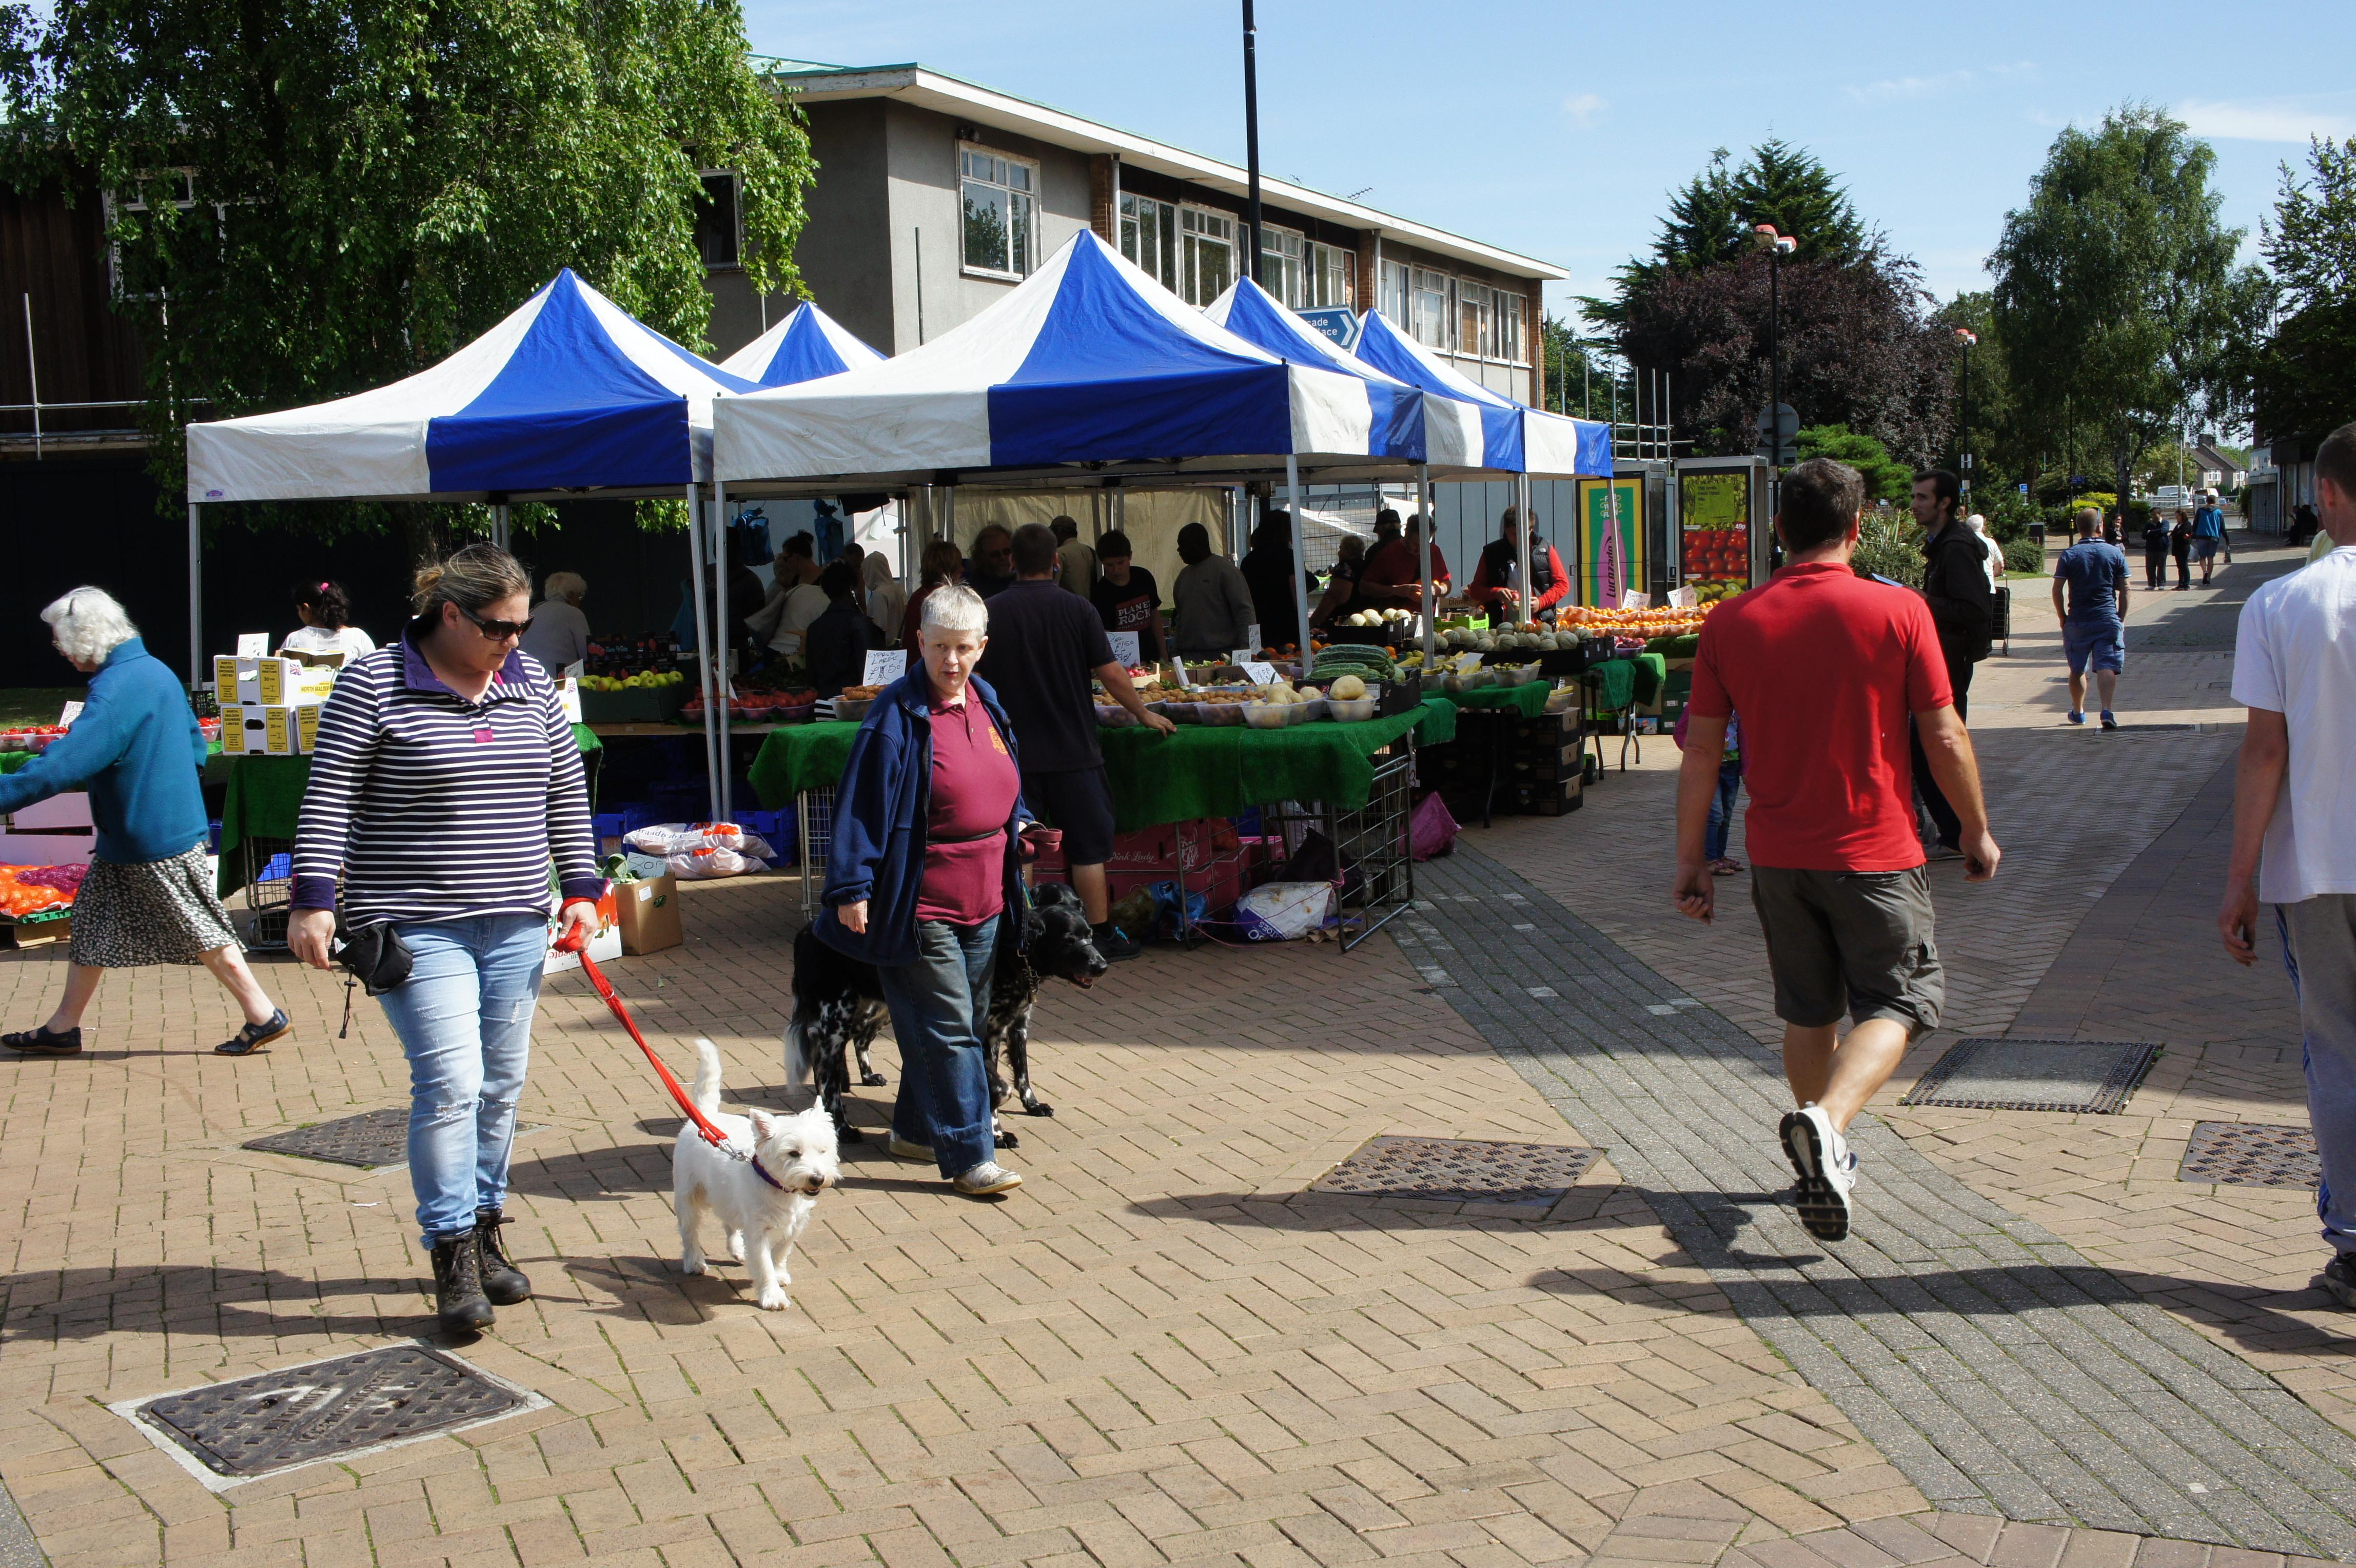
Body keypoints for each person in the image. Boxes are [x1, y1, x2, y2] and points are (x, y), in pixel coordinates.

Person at [1674, 457, 1999, 1244]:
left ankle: (1821, 1158)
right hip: (1876, 851)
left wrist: (1690, 860)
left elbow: (1702, 753)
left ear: (1779, 530)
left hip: (1778, 854)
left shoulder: (1729, 622)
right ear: (1857, 530)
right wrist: (1974, 828)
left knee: (1809, 1009)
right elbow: (1944, 731)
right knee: (1907, 998)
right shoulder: (1900, 612)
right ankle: (1827, 1121)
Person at [284, 543, 600, 1333]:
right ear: (450, 614)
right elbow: (328, 797)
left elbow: (565, 790)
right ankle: (451, 1249)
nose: (514, 643)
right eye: (499, 627)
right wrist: (313, 901)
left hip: (519, 920)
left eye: (522, 627)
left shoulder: (528, 684)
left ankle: (488, 1229)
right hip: (417, 926)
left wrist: (585, 887)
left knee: (501, 1087)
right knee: (453, 1086)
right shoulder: (375, 681)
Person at [0, 588, 289, 1060]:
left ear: (87, 636)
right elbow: (196, 746)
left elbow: (61, 767)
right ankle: (63, 1026)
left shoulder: (117, 688)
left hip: (151, 835)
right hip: (142, 830)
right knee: (94, 922)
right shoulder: (153, 671)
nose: (60, 650)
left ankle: (263, 1014)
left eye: (61, 640)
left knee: (200, 928)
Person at [818, 584, 1032, 1198]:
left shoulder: (986, 700)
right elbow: (859, 807)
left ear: (982, 645)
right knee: (948, 1030)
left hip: (987, 897)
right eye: (939, 647)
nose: (951, 661)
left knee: (957, 1019)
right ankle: (971, 1155)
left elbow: (1003, 785)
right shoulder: (894, 715)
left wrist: (1024, 822)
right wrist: (851, 887)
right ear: (919, 642)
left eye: (964, 648)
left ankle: (914, 1130)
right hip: (919, 904)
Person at [2218, 421, 2356, 1307]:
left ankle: (2352, 1240)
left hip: (2317, 864)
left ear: (2331, 494)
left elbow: (2262, 753)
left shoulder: (2282, 604)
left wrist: (2237, 880)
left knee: (2337, 1048)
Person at [976, 523, 1174, 960]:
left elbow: (975, 680)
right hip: (1076, 753)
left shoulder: (989, 613)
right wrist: (1144, 713)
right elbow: (1111, 673)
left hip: (1014, 758)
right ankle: (1100, 935)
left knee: (1022, 851)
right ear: (1057, 561)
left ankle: (1019, 939)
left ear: (1012, 561)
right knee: (1088, 852)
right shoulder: (1080, 609)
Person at [1910, 470, 1993, 859]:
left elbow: (1975, 610)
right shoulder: (1944, 544)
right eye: (1914, 497)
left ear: (1944, 503)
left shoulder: (1957, 547)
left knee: (1933, 747)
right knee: (1925, 748)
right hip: (1943, 656)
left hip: (1949, 660)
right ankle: (1952, 830)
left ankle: (1956, 832)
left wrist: (1922, 600)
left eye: (1923, 498)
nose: (1915, 505)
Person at [2051, 507, 2130, 729]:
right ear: (2100, 526)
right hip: (2107, 616)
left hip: (2078, 619)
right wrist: (2121, 617)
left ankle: (2078, 712)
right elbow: (2126, 588)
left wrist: (2062, 617)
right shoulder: (2114, 553)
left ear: (2079, 528)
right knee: (2107, 664)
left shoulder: (2069, 554)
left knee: (2077, 668)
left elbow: (2057, 589)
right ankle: (2106, 710)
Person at [1674, 704, 1745, 877]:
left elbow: (1745, 738)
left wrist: (1746, 767)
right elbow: (1680, 733)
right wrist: (1695, 753)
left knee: (1726, 815)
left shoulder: (1738, 707)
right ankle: (1709, 859)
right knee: (1715, 814)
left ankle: (1719, 855)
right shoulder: (1697, 706)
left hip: (1732, 768)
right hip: (1707, 768)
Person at [1464, 507, 1568, 620]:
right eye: (1514, 534)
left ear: (1531, 530)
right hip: (1501, 624)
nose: (1519, 539)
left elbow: (1563, 584)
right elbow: (1475, 591)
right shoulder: (1491, 552)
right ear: (1506, 530)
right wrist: (1496, 592)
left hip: (1540, 623)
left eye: (1524, 534)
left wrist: (1541, 602)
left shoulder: (1545, 548)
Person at [1170, 522, 1255, 658]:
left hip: (1223, 655)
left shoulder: (1226, 572)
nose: (1179, 550)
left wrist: (1246, 649)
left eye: (1183, 544)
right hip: (1189, 657)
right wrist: (1176, 653)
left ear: (1199, 544)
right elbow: (1181, 620)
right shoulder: (1183, 577)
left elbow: (1245, 612)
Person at [804, 560, 882, 697]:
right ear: (851, 588)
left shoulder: (814, 627)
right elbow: (871, 672)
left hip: (824, 704)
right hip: (856, 704)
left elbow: (812, 678)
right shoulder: (859, 623)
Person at [1090, 529, 1166, 661]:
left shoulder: (1144, 577)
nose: (1116, 569)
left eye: (1121, 563)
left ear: (1130, 556)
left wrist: (1164, 654)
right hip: (1123, 661)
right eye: (1110, 565)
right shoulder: (1100, 592)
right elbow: (1105, 635)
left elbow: (1155, 616)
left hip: (1151, 655)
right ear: (1101, 562)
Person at [1238, 513, 1304, 651]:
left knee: (1261, 659)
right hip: (1286, 623)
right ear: (1285, 532)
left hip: (1258, 624)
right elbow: (1298, 596)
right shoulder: (1290, 557)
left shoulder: (1249, 561)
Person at [1361, 514, 1450, 608]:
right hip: (1396, 618)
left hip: (1426, 619)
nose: (1420, 549)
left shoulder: (1433, 551)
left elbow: (1447, 583)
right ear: (1407, 534)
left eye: (1424, 544)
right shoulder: (1390, 552)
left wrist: (1439, 590)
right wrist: (1396, 590)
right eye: (1416, 544)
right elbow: (1364, 587)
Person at [283, 580, 377, 662]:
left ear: (306, 608)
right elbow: (374, 669)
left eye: (299, 609)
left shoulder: (295, 639)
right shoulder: (359, 637)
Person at [518, 571, 590, 674]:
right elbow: (588, 654)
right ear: (570, 594)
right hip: (563, 680)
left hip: (529, 677)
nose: (580, 602)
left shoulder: (532, 612)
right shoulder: (574, 613)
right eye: (580, 597)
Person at [901, 540, 965, 653]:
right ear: (948, 568)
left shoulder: (918, 596)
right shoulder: (944, 600)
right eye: (958, 565)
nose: (962, 570)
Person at [1309, 535, 1368, 636]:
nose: (1339, 552)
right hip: (1363, 618)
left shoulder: (1345, 568)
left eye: (1341, 549)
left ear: (1348, 551)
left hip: (1343, 622)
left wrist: (1312, 622)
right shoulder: (1366, 566)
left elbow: (1334, 598)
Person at [863, 551, 908, 648]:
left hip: (885, 648)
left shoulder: (879, 594)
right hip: (901, 645)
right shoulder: (899, 588)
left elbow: (880, 626)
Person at [966, 524, 1018, 600]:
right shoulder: (972, 590)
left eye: (1007, 552)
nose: (1003, 558)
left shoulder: (1023, 581)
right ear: (982, 558)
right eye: (995, 555)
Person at [1052, 516, 1096, 599]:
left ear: (1059, 532)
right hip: (1088, 606)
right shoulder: (1089, 550)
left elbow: (1053, 586)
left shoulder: (1059, 553)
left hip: (1067, 607)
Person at [2192, 493, 2227, 586]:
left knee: (2202, 557)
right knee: (2210, 558)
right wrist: (2227, 540)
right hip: (2214, 537)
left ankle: (2204, 571)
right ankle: (2208, 579)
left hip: (2201, 536)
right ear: (2215, 502)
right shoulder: (2219, 512)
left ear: (2207, 501)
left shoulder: (2200, 511)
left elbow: (2195, 523)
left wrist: (2193, 534)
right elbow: (2223, 527)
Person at [1965, 514, 2005, 585]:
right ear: (1983, 528)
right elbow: (2000, 566)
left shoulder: (1963, 543)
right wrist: (1991, 575)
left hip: (1969, 587)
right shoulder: (1991, 543)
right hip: (1988, 585)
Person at [2142, 507, 2173, 592]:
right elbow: (2144, 535)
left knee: (2161, 567)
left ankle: (2161, 583)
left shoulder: (2165, 523)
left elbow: (2163, 531)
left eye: (2155, 515)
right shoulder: (2149, 525)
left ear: (2160, 514)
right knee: (2150, 567)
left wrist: (2151, 532)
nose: (2153, 517)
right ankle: (2151, 584)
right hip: (2150, 549)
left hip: (2161, 548)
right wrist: (2153, 533)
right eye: (2152, 515)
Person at [2171, 508, 2195, 590]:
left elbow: (2184, 535)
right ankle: (2181, 584)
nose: (2177, 518)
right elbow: (2173, 534)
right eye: (2176, 516)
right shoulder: (2178, 525)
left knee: (2184, 566)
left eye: (2178, 516)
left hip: (2184, 548)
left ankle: (2186, 584)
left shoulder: (2187, 524)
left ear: (2182, 516)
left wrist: (2178, 535)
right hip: (2177, 548)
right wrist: (2176, 535)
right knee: (2180, 566)